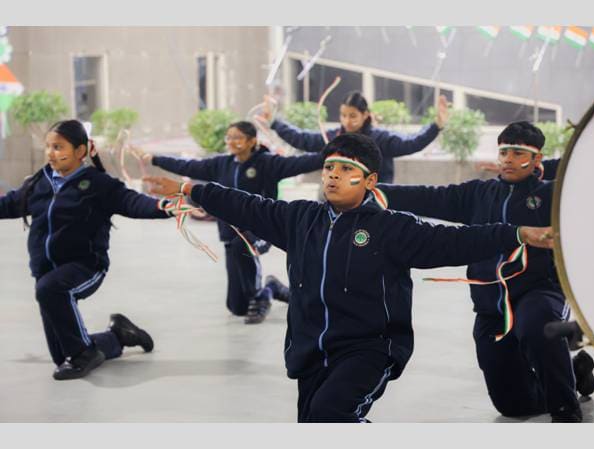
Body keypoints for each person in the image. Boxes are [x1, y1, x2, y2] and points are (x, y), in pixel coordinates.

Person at [144, 132, 554, 422]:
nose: (333, 176)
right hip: (310, 350)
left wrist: (517, 233)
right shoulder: (299, 218)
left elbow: (456, 240)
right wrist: (190, 189)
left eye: (346, 169)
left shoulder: (391, 228)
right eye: (328, 168)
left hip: (370, 348)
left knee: (330, 416)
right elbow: (245, 205)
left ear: (370, 181)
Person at [376, 121, 593, 422]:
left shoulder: (554, 195)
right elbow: (429, 196)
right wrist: (375, 190)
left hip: (539, 291)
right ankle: (577, 373)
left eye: (518, 153)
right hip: (490, 305)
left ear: (537, 159)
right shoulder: (478, 194)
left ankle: (566, 414)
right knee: (513, 406)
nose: (508, 159)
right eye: (504, 152)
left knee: (537, 327)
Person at [0, 120, 174, 380]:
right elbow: (8, 205)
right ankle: (119, 335)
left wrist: (165, 207)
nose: (51, 153)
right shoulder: (39, 183)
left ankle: (84, 354)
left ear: (80, 151)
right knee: (62, 355)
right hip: (45, 271)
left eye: (58, 147)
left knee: (51, 292)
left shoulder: (97, 184)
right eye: (48, 147)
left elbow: (131, 202)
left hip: (85, 266)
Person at [139, 121, 321, 324]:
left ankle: (260, 296)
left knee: (242, 246)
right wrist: (154, 159)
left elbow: (302, 163)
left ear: (252, 141)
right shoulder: (221, 164)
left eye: (238, 138)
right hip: (229, 233)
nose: (232, 142)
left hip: (261, 230)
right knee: (237, 307)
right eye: (229, 137)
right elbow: (188, 166)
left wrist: (333, 154)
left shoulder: (268, 163)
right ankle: (271, 288)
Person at [257, 91, 448, 184]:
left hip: (373, 201)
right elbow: (302, 139)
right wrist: (274, 122)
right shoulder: (335, 137)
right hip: (340, 201)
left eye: (353, 116)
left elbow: (411, 143)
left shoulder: (380, 138)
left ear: (365, 115)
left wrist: (436, 126)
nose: (347, 121)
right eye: (343, 115)